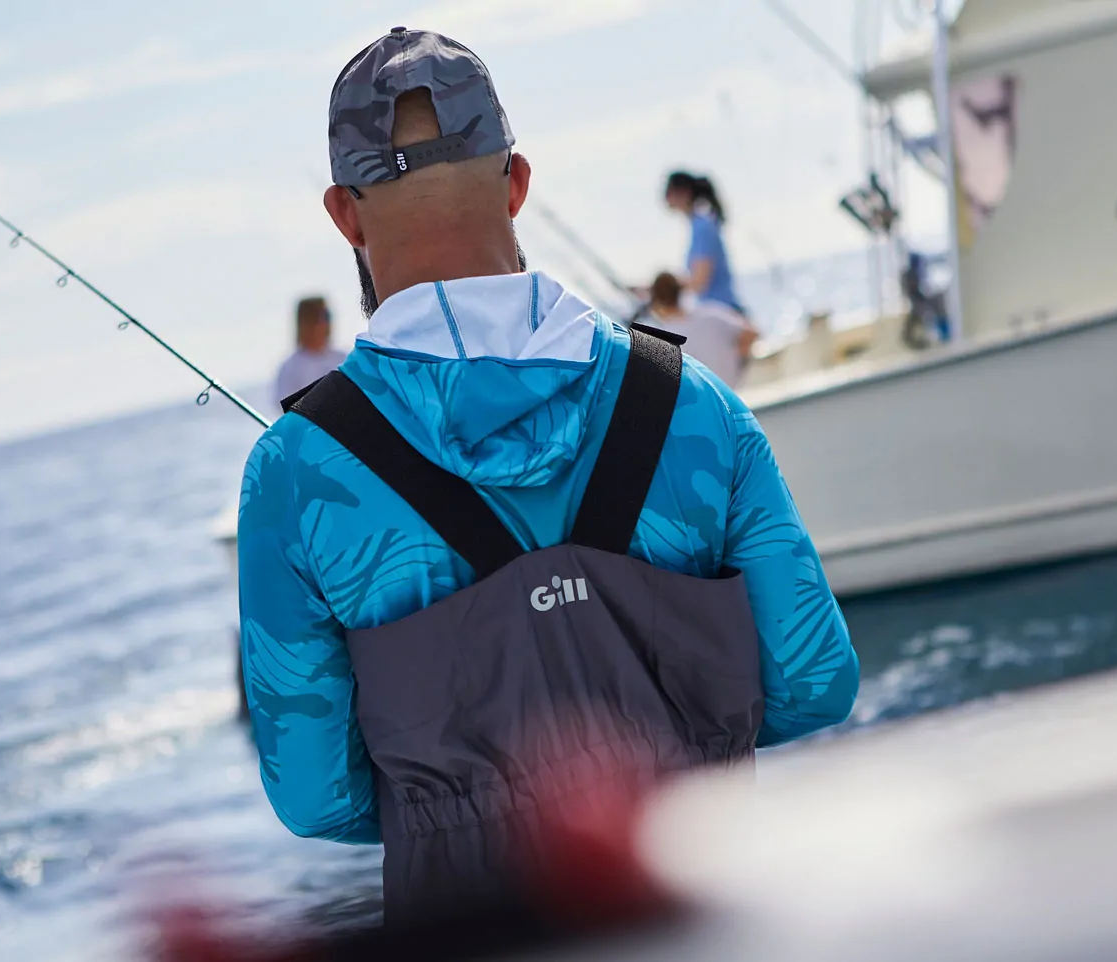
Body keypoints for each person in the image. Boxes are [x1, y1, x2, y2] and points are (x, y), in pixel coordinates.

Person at [237, 27, 857, 923]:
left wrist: (462, 802)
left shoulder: (294, 474)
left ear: (345, 213)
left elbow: (312, 796)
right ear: (517, 182)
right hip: (709, 913)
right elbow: (814, 679)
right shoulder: (694, 406)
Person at [643, 271, 757, 387]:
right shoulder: (712, 313)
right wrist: (735, 362)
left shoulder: (662, 338)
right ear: (681, 292)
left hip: (704, 398)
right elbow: (751, 333)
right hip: (731, 390)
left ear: (656, 301)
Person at [664, 170, 746, 316]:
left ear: (683, 192)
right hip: (718, 314)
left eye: (668, 192)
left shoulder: (702, 226)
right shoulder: (699, 224)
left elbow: (700, 280)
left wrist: (661, 290)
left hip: (724, 315)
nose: (665, 198)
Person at [270, 296, 346, 411]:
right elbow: (284, 408)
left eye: (328, 316)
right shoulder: (289, 368)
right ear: (308, 322)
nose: (328, 322)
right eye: (324, 317)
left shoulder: (344, 359)